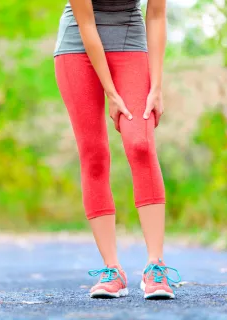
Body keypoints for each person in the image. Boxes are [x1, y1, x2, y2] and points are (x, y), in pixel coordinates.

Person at [54, 0, 181, 299]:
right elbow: (87, 23)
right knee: (94, 153)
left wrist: (157, 87)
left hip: (129, 39)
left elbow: (157, 13)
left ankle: (155, 267)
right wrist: (111, 91)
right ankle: (112, 269)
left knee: (140, 143)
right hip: (77, 45)